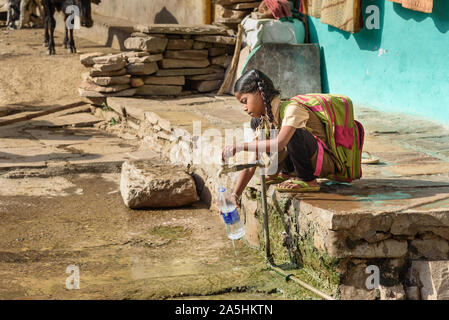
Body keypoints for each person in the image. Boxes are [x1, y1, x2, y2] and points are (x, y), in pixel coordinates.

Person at [221, 69, 339, 208]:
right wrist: (235, 194)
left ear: (259, 93)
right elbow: (252, 163)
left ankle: (307, 180)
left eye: (245, 101)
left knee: (290, 133)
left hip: (322, 161)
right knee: (267, 137)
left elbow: (279, 143)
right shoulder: (262, 121)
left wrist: (241, 146)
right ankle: (286, 173)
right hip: (303, 159)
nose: (244, 108)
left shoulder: (292, 109)